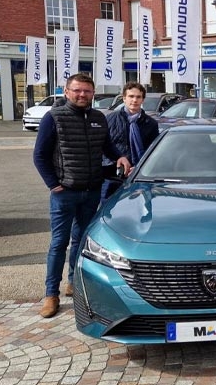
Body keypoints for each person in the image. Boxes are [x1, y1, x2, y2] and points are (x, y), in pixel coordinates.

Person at [32, 73, 131, 319]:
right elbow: (40, 155)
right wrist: (53, 184)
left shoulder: (99, 117)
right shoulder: (53, 117)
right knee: (58, 243)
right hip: (64, 193)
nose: (82, 95)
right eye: (77, 90)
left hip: (91, 191)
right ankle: (50, 294)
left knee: (82, 241)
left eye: (86, 91)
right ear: (67, 92)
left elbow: (106, 146)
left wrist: (119, 155)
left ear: (92, 93)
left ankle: (73, 282)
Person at [101, 82, 159, 202]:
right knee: (107, 213)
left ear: (143, 100)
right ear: (124, 98)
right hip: (112, 176)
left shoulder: (151, 124)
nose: (134, 100)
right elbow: (103, 146)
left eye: (138, 97)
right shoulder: (109, 119)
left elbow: (154, 151)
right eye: (131, 96)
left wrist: (140, 167)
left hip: (139, 176)